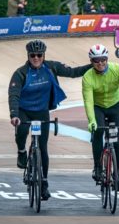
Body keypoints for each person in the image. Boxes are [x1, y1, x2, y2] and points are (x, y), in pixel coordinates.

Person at [8, 40, 92, 200]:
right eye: (33, 55)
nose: (36, 58)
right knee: (23, 131)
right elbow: (13, 95)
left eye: (39, 55)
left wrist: (93, 64)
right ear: (28, 56)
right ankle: (21, 152)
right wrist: (14, 115)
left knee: (43, 148)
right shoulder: (20, 73)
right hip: (24, 111)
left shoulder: (51, 67)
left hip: (41, 111)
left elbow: (73, 72)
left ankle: (44, 183)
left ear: (43, 55)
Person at [82, 44, 119, 191]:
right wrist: (92, 121)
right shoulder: (88, 77)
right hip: (97, 107)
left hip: (114, 107)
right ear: (91, 62)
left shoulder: (116, 69)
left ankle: (116, 175)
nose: (100, 63)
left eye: (103, 59)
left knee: (117, 143)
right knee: (98, 132)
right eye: (96, 60)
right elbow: (88, 102)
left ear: (107, 59)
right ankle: (97, 167)